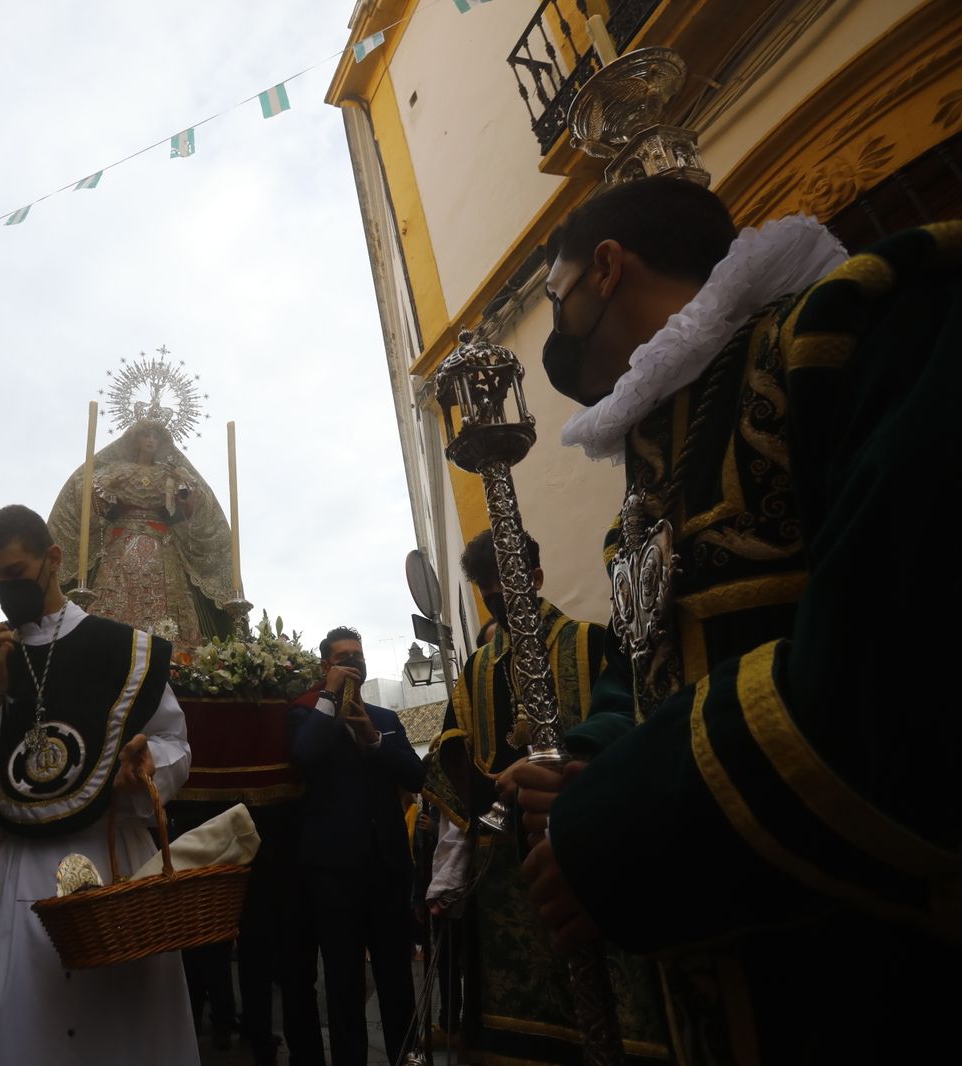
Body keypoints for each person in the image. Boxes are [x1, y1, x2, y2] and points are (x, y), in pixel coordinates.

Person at [516, 176, 962, 1060]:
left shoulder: (846, 331)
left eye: (554, 297)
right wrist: (593, 758)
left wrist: (619, 824)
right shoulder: (650, 473)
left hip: (876, 980)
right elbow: (648, 665)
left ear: (607, 268)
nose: (552, 333)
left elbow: (902, 666)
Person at [0, 504, 196, 1066]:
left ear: (52, 560)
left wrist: (143, 772)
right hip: (18, 869)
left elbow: (174, 746)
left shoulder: (127, 651)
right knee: (28, 1035)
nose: (5, 592)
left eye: (15, 575)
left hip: (113, 852)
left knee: (124, 1030)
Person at [420, 531, 666, 1063]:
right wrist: (482, 792)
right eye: (486, 593)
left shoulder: (593, 643)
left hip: (580, 839)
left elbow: (630, 724)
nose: (498, 601)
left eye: (506, 587)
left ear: (533, 578)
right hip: (504, 863)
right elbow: (449, 748)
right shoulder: (477, 670)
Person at [283, 627, 425, 1066]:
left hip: (386, 869)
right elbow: (305, 755)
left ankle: (407, 1057)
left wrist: (373, 738)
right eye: (343, 656)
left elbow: (417, 778)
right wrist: (329, 700)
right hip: (334, 874)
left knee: (397, 980)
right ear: (327, 665)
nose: (354, 663)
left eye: (358, 656)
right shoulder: (306, 716)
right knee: (343, 984)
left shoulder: (385, 719)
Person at [47, 419, 236, 644]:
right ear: (135, 439)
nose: (151, 441)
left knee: (169, 607)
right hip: (121, 544)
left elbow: (191, 506)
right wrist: (105, 487)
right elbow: (93, 503)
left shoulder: (170, 473)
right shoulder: (116, 469)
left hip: (162, 547)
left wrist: (185, 485)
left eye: (156, 437)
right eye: (146, 435)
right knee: (116, 595)